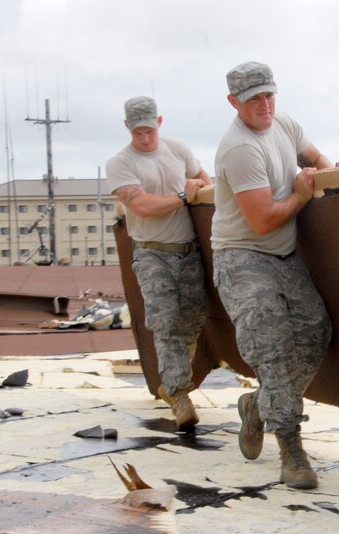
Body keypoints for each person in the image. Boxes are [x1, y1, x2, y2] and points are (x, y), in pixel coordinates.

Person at [212, 62, 334, 490]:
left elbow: (318, 158)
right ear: (234, 103)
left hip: (283, 254)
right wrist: (302, 195)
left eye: (269, 95)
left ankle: (258, 405)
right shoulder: (239, 149)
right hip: (243, 257)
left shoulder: (283, 123)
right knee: (276, 348)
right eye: (253, 100)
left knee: (317, 330)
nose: (264, 105)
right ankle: (292, 450)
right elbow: (262, 220)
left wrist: (330, 173)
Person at [106, 96, 211, 432]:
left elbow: (202, 180)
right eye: (138, 132)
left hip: (188, 250)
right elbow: (143, 206)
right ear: (127, 128)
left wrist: (197, 187)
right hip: (152, 253)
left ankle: (174, 382)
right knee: (165, 322)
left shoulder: (178, 149)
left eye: (149, 130)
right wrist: (183, 196)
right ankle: (180, 394)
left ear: (160, 122)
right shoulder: (120, 163)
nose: (145, 138)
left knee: (192, 321)